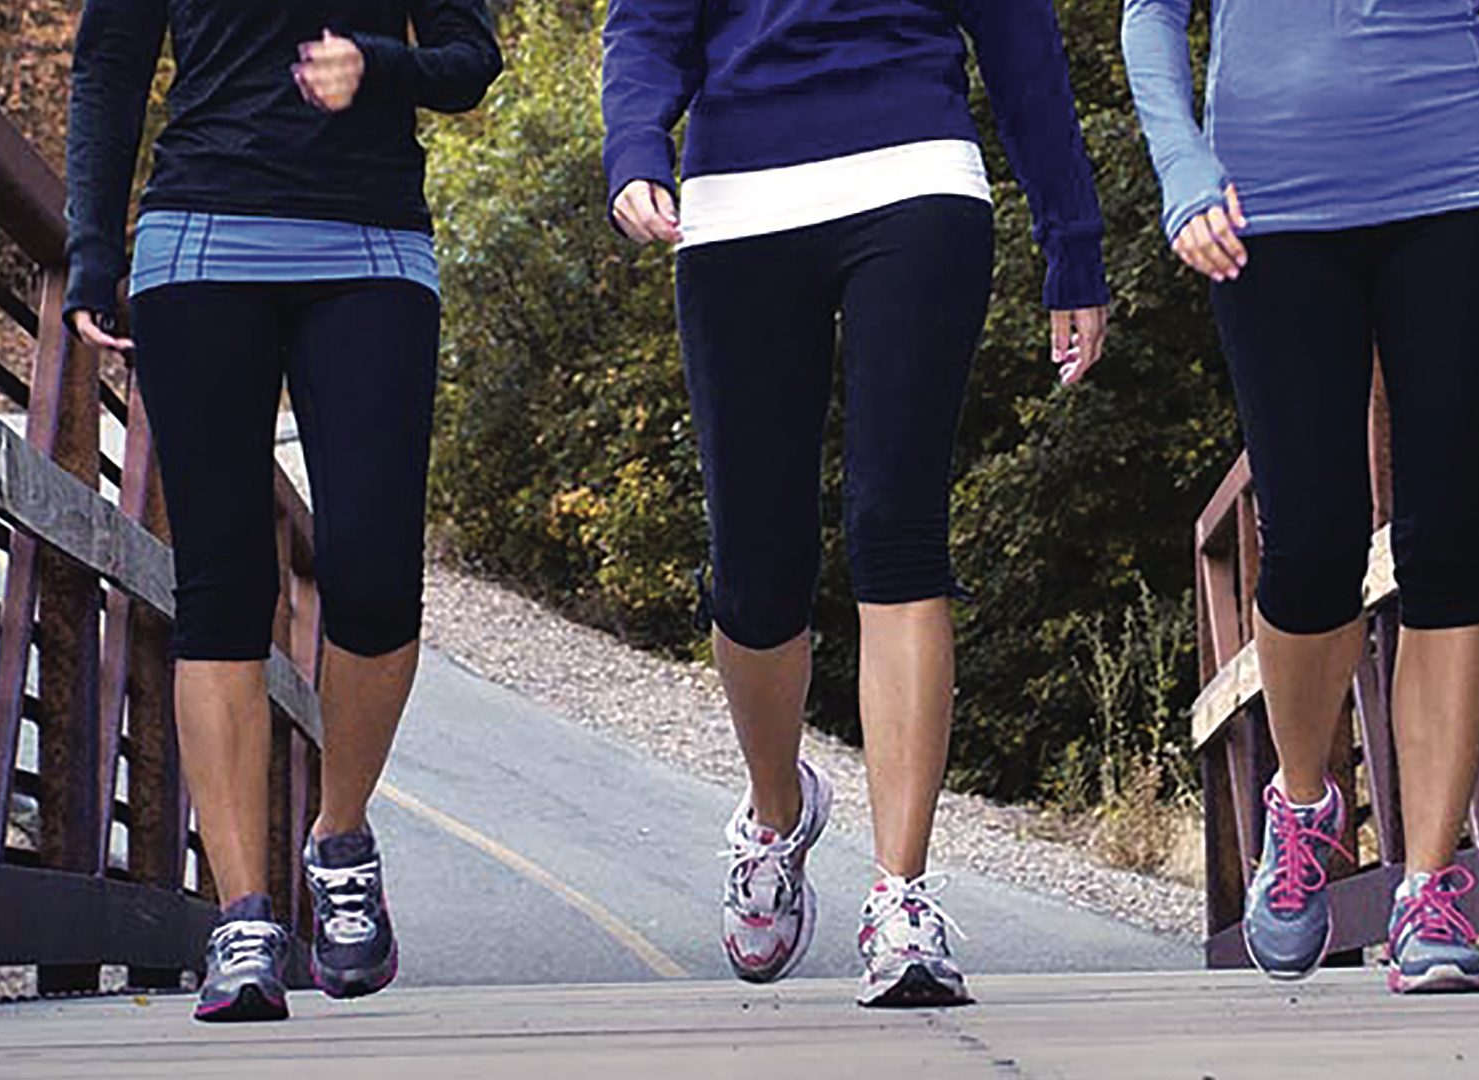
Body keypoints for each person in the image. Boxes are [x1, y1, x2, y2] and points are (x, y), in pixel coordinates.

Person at [602, 0, 1111, 1007]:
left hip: (915, 174)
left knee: (897, 529)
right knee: (755, 567)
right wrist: (632, 144)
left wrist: (1073, 239)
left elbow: (1022, 47)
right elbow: (646, 21)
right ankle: (775, 808)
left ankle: (902, 897)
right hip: (738, 200)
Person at [1122, 0, 1479, 993]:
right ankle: (1306, 802)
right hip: (1265, 214)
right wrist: (1182, 172)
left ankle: (1431, 888)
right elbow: (1151, 18)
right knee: (1312, 543)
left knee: (1447, 542)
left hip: (1456, 194)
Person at [64, 0, 500, 1022]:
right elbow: (111, 66)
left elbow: (470, 59)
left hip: (372, 242)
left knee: (376, 573)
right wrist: (91, 246)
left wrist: (380, 66)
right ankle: (244, 917)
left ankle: (338, 842)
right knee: (222, 584)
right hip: (200, 234)